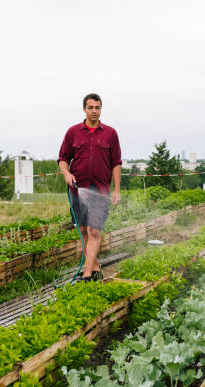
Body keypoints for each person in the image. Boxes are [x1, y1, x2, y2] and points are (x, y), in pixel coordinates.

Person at [58, 93, 122, 281]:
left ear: (101, 109)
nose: (94, 111)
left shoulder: (111, 133)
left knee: (95, 231)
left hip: (100, 190)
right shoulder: (73, 132)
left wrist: (117, 189)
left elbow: (116, 163)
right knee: (84, 230)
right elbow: (63, 159)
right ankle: (94, 268)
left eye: (97, 107)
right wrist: (67, 174)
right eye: (90, 107)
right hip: (78, 189)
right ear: (84, 109)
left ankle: (86, 275)